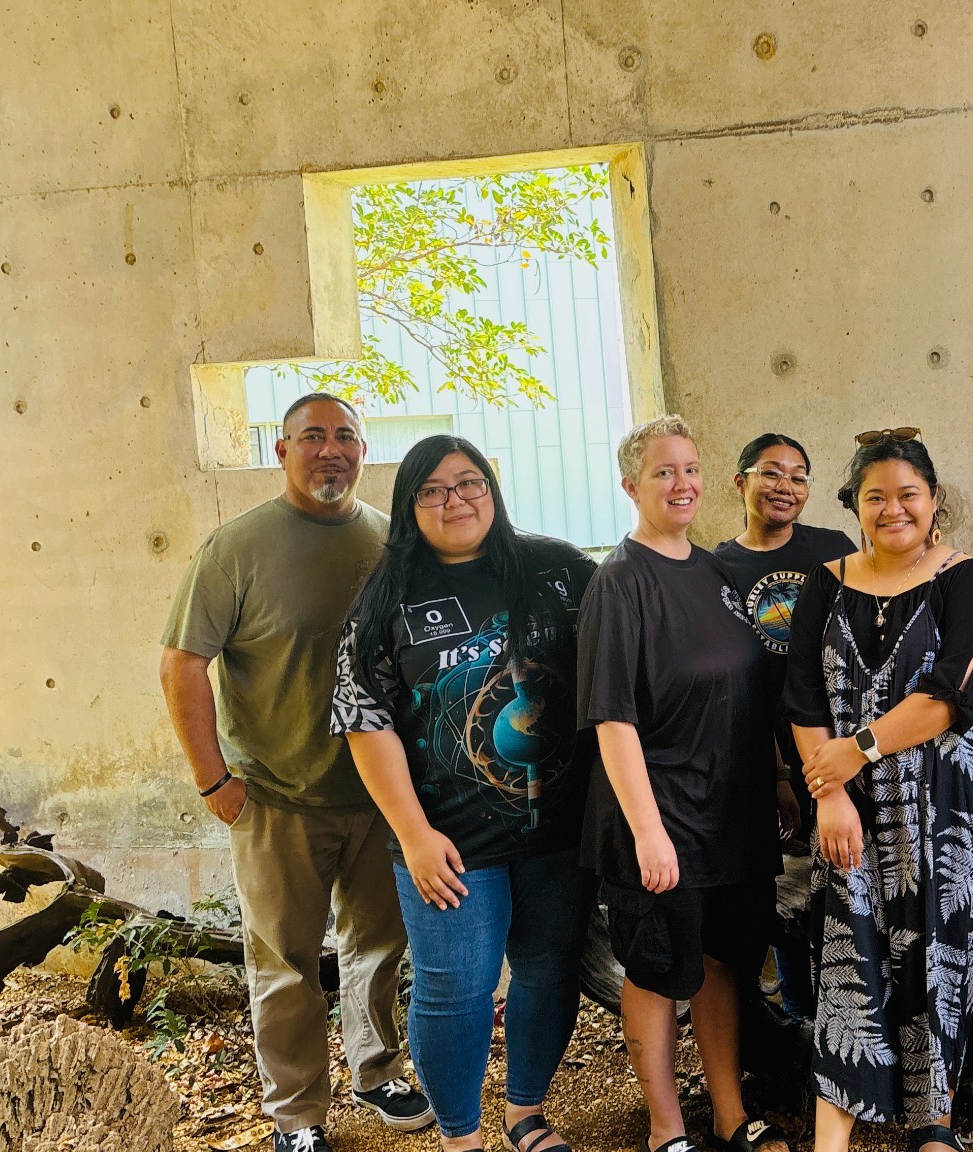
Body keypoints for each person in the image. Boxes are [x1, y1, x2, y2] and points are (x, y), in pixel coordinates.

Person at [159, 393, 432, 1152]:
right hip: (278, 797)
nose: (330, 450)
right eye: (312, 436)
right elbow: (182, 665)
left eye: (345, 436)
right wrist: (214, 780)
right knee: (284, 963)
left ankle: (377, 1072)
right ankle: (298, 1113)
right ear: (282, 451)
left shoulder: (390, 541)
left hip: (381, 796)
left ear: (363, 451)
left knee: (379, 948)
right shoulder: (236, 548)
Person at [331, 436, 597, 1152]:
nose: (455, 500)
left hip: (558, 830)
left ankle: (526, 1112)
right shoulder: (385, 599)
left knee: (548, 968)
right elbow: (365, 723)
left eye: (469, 482)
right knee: (456, 990)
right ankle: (460, 1136)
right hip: (447, 841)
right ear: (408, 506)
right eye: (433, 490)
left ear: (492, 488)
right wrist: (413, 834)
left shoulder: (558, 568)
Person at [788, 429, 973, 1152]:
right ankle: (833, 1134)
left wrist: (856, 751)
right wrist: (829, 794)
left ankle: (933, 1122)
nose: (893, 509)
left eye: (908, 494)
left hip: (942, 807)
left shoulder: (968, 579)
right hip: (845, 806)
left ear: (934, 499)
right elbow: (802, 698)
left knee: (937, 955)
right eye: (875, 497)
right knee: (847, 956)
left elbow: (955, 696)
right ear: (854, 505)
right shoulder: (826, 582)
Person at [578, 415, 789, 1152]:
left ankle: (730, 1114)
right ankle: (666, 1129)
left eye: (691, 469)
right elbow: (612, 718)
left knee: (725, 964)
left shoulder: (716, 573)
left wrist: (780, 782)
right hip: (662, 816)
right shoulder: (619, 581)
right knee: (660, 970)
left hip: (732, 815)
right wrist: (648, 832)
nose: (682, 484)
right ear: (631, 485)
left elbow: (747, 691)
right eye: (664, 472)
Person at [712, 434, 856, 1021]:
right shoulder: (719, 566)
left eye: (799, 477)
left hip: (837, 742)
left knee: (842, 880)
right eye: (771, 473)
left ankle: (846, 1014)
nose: (785, 487)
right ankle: (796, 1013)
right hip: (759, 751)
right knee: (783, 888)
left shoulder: (834, 549)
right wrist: (774, 772)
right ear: (740, 482)